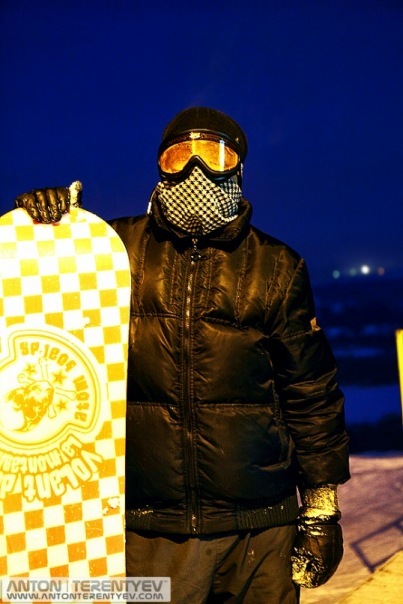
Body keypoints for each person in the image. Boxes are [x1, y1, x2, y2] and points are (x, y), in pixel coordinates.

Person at [15, 106, 350, 604]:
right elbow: (48, 319)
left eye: (214, 154)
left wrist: (320, 508)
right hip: (151, 530)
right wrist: (52, 234)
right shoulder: (113, 254)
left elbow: (311, 394)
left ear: (238, 168)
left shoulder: (276, 267)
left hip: (260, 530)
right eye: (178, 157)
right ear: (159, 167)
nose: (196, 171)